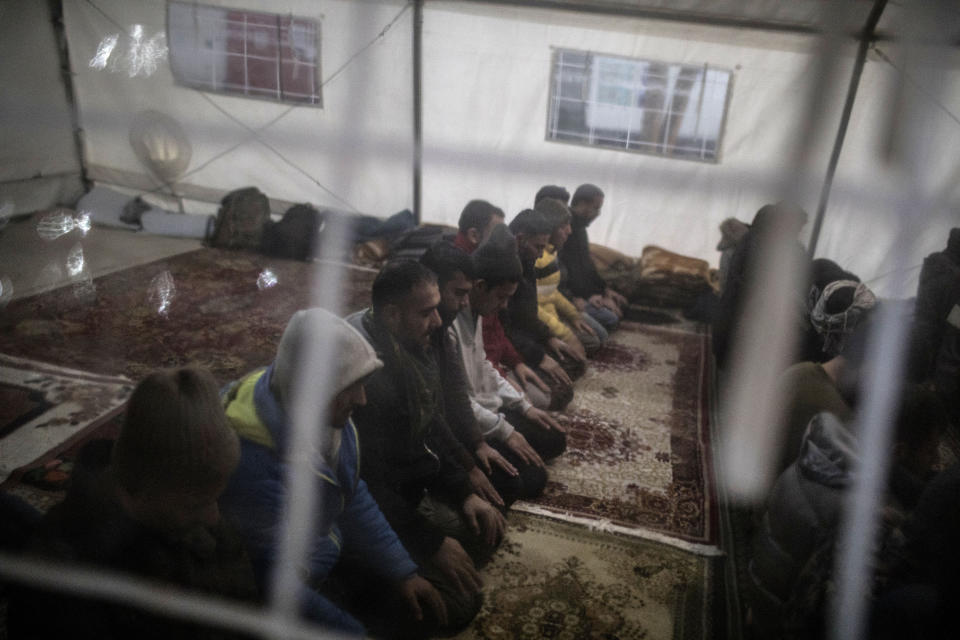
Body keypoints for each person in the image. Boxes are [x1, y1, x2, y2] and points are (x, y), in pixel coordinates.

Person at [219, 308, 455, 637]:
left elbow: (350, 492)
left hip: (327, 553)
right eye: (352, 386)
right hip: (293, 590)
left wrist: (403, 571)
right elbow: (278, 587)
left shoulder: (323, 415)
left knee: (441, 607)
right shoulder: (254, 464)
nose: (362, 399)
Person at [9, 367, 260, 640]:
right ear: (144, 488)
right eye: (196, 504)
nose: (213, 516)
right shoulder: (67, 592)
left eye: (214, 498)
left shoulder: (178, 511)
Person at [347, 261, 506, 619]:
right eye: (427, 312)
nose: (438, 322)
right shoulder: (365, 381)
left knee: (488, 526)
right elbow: (364, 483)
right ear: (391, 314)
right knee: (459, 606)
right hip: (371, 503)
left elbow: (430, 422)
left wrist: (463, 489)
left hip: (406, 483)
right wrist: (429, 542)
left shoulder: (409, 345)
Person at [748, 385, 947, 639]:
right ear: (898, 451)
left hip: (762, 601)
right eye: (930, 451)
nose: (937, 460)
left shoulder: (823, 452)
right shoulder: (871, 514)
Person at [452, 227, 568, 503]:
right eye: (501, 297)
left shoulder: (477, 312)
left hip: (489, 412)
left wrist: (523, 406)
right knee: (530, 480)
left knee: (554, 438)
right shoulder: (450, 325)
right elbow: (457, 403)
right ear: (480, 287)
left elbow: (483, 364)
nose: (504, 306)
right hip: (470, 424)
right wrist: (505, 431)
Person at [419, 241, 522, 508]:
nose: (464, 302)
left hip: (459, 427)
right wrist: (465, 471)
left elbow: (454, 393)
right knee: (510, 486)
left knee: (519, 473)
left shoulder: (443, 322)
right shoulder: (425, 327)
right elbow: (433, 416)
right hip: (425, 447)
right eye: (458, 293)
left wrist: (477, 444)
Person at [506, 209, 586, 383]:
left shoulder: (527, 261)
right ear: (520, 239)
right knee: (558, 387)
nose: (541, 254)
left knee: (575, 363)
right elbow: (505, 328)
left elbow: (529, 313)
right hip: (509, 345)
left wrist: (548, 337)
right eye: (539, 247)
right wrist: (538, 356)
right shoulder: (503, 268)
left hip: (525, 339)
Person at [534, 197, 607, 356]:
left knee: (599, 336)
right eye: (564, 226)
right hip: (543, 322)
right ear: (550, 229)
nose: (569, 231)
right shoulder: (536, 258)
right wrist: (566, 334)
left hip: (554, 314)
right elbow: (533, 307)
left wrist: (573, 315)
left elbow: (552, 293)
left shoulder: (551, 253)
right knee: (591, 344)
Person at [557, 184, 628, 332]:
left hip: (582, 292)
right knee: (611, 318)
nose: (599, 213)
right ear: (582, 204)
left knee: (622, 305)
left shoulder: (580, 228)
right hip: (570, 296)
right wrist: (587, 297)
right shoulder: (565, 229)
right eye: (596, 208)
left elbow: (586, 266)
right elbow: (568, 274)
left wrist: (604, 291)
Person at [912, 227, 960, 428]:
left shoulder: (934, 263)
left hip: (920, 348)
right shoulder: (954, 279)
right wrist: (941, 386)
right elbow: (954, 334)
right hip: (937, 371)